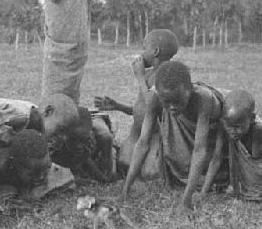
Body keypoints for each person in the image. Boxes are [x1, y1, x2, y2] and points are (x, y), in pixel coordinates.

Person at [121, 61, 227, 212]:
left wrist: (186, 201)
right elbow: (143, 143)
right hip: (191, 150)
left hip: (217, 139)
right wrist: (124, 192)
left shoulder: (203, 99)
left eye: (178, 101)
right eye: (166, 102)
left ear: (189, 90)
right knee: (151, 172)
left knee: (219, 179)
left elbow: (199, 150)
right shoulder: (155, 97)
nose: (172, 107)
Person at [95, 29, 179, 173]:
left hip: (152, 139)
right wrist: (118, 106)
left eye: (144, 48)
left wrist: (140, 77)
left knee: (149, 173)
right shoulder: (149, 74)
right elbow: (142, 109)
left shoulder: (165, 76)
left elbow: (152, 106)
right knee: (123, 165)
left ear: (155, 51)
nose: (141, 52)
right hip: (135, 136)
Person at [42, 93, 116, 183]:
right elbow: (56, 176)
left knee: (106, 137)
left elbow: (86, 158)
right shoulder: (54, 144)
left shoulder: (87, 138)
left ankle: (113, 152)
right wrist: (83, 181)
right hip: (69, 139)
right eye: (75, 140)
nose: (80, 145)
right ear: (63, 136)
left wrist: (103, 178)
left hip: (94, 120)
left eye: (83, 141)